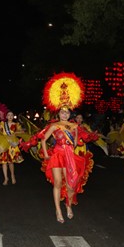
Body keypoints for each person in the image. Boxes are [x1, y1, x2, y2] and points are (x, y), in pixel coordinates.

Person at [34, 72, 92, 223]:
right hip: (57, 156)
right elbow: (43, 139)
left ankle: (68, 205)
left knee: (72, 184)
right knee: (58, 183)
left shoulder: (74, 126)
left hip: (70, 156)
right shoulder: (54, 126)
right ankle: (58, 210)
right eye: (62, 112)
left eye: (67, 112)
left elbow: (76, 142)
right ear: (58, 113)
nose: (64, 114)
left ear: (69, 114)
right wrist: (46, 154)